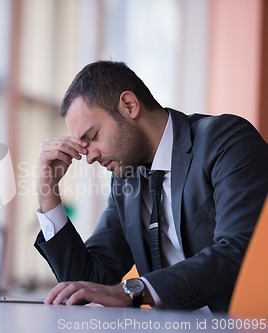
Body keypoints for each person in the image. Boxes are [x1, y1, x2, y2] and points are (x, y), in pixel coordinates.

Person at [34, 60, 268, 312]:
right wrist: (48, 193)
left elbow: (239, 251)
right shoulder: (126, 180)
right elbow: (88, 282)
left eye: (92, 137)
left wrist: (134, 291)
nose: (89, 157)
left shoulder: (225, 141)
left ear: (129, 105)